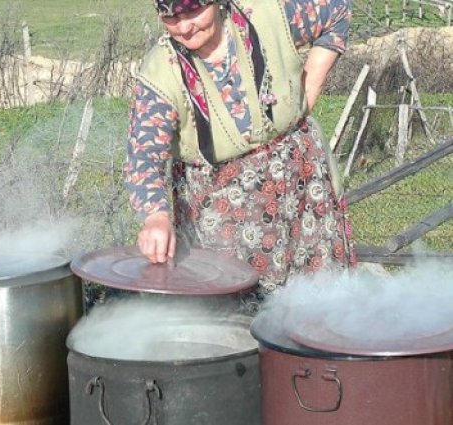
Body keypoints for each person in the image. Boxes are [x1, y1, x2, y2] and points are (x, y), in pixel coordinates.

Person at [125, 0, 356, 298]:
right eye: (171, 17)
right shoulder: (160, 72)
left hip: (304, 191)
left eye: (193, 12)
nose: (184, 27)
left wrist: (308, 89)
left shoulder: (268, 17)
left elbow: (337, 9)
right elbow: (144, 153)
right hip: (225, 212)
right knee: (234, 316)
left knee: (319, 303)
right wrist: (155, 216)